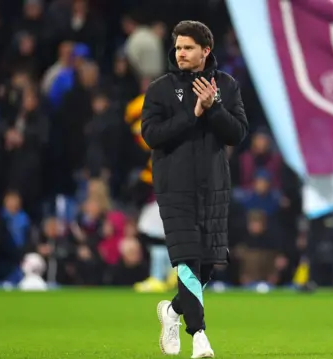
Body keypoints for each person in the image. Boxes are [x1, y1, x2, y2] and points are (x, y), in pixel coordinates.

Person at [141, 20, 248, 358]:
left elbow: (237, 134)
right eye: (177, 47)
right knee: (187, 260)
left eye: (188, 47)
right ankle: (199, 336)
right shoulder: (160, 89)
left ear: (206, 51)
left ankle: (172, 312)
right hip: (175, 187)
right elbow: (152, 135)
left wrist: (213, 108)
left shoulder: (227, 86)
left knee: (210, 262)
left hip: (215, 186)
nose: (181, 53)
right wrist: (193, 111)